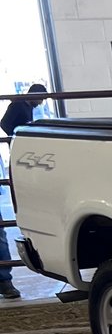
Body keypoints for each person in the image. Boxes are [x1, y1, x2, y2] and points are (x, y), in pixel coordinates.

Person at [1, 84, 48, 300]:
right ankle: (4, 281)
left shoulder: (23, 105)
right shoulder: (18, 105)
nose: (42, 102)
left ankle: (4, 280)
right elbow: (6, 125)